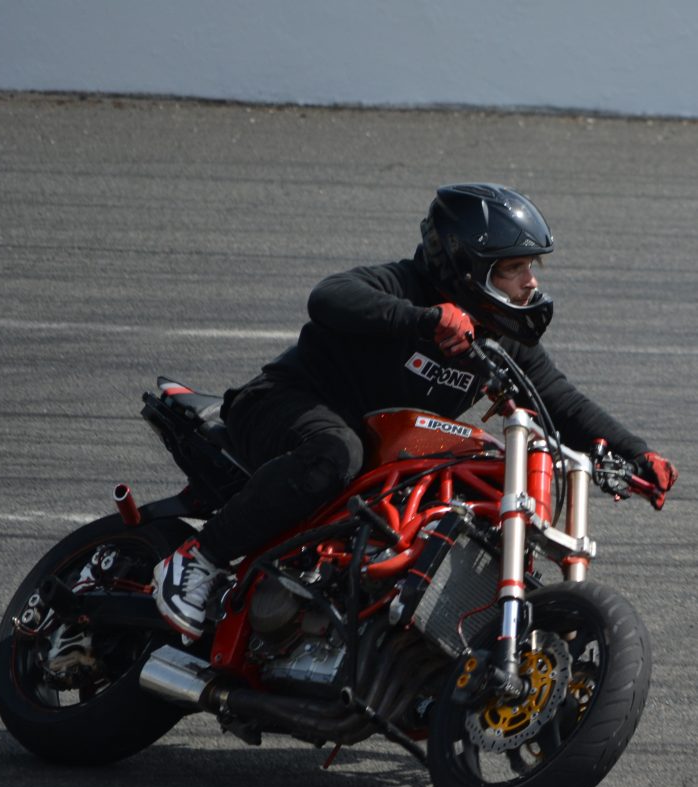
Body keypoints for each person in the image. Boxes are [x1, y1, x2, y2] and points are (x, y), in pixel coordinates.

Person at [151, 183, 678, 640]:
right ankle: (199, 558)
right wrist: (424, 320)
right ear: (466, 267)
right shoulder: (404, 286)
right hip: (286, 407)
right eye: (513, 269)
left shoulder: (501, 337)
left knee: (466, 489)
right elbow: (329, 297)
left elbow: (559, 400)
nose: (530, 282)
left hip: (382, 464)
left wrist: (637, 454)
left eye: (531, 268)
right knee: (334, 454)